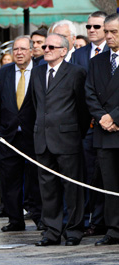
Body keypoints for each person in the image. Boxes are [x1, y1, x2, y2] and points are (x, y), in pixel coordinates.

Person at [31, 33, 90, 246]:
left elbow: (83, 109)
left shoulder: (76, 73)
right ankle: (51, 231)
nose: (46, 49)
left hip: (68, 139)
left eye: (51, 47)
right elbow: (35, 105)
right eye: (45, 46)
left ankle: (74, 230)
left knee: (72, 187)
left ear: (64, 51)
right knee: (47, 188)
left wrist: (74, 131)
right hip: (43, 140)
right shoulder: (37, 73)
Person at [0, 36, 42, 232]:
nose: (19, 53)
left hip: (33, 136)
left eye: (23, 49)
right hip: (8, 137)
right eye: (15, 49)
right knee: (10, 180)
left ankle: (39, 218)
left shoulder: (40, 71)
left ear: (31, 51)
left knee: (36, 180)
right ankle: (15, 220)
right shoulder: (2, 73)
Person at [70, 10, 108, 238]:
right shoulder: (79, 54)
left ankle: (102, 221)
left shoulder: (114, 53)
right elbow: (76, 90)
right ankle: (84, 221)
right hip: (86, 126)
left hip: (110, 124)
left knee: (105, 176)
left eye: (96, 27)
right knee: (84, 176)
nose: (92, 30)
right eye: (88, 27)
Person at [85, 13, 119, 246]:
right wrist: (103, 118)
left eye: (114, 32)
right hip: (104, 133)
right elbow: (89, 93)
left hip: (116, 124)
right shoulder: (96, 61)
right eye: (106, 31)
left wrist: (114, 116)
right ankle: (114, 229)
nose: (108, 36)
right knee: (109, 186)